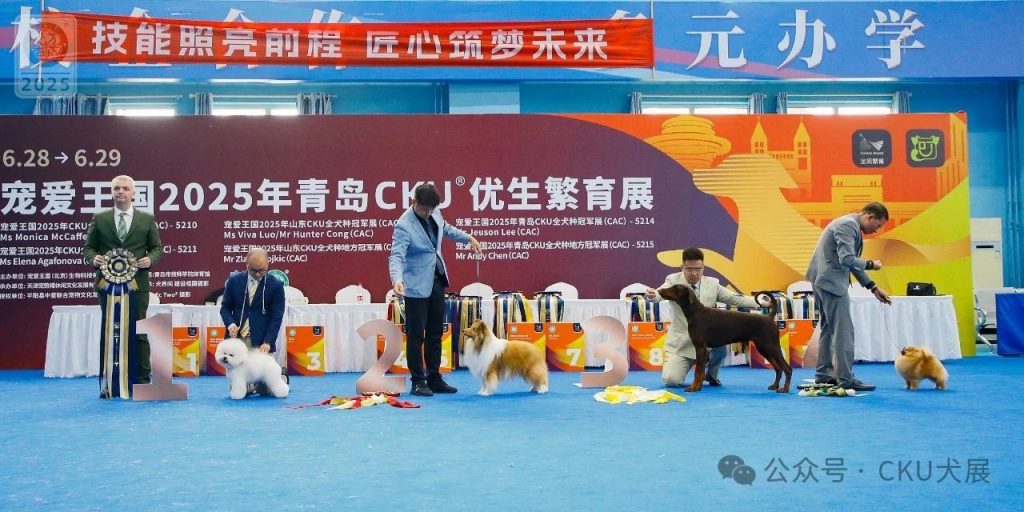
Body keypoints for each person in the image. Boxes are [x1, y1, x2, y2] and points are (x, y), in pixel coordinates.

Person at [389, 183, 481, 397]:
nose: (429, 213)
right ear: (415, 202)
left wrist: (468, 238)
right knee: (415, 336)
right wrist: (397, 279)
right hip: (415, 286)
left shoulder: (435, 212)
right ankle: (418, 381)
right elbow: (396, 256)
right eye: (425, 209)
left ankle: (434, 378)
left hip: (437, 280)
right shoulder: (403, 225)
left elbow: (446, 229)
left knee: (435, 333)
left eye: (432, 209)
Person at [84, 175, 163, 389]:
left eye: (125, 188)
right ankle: (112, 381)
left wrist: (150, 259)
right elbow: (88, 248)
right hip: (107, 285)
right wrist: (93, 258)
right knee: (111, 330)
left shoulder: (147, 219)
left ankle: (142, 380)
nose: (121, 191)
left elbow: (157, 248)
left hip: (138, 285)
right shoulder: (99, 218)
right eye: (117, 188)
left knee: (139, 330)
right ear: (111, 192)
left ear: (133, 193)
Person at [806, 202, 892, 392]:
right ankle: (845, 378)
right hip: (831, 283)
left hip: (822, 280)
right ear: (870, 217)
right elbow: (847, 259)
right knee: (844, 331)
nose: (877, 230)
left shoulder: (848, 223)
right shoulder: (848, 225)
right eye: (878, 225)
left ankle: (823, 375)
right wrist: (871, 264)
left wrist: (873, 287)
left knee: (828, 329)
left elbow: (850, 264)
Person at [646, 247, 759, 388]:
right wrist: (653, 295)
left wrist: (760, 302)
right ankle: (693, 367)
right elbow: (659, 294)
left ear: (703, 267)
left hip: (707, 342)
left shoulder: (712, 284)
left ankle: (711, 374)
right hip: (682, 345)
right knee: (672, 381)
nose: (694, 273)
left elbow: (734, 298)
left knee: (722, 341)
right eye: (689, 269)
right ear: (682, 267)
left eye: (698, 269)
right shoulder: (673, 281)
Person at [219, 247, 286, 356]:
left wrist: (268, 341)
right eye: (253, 270)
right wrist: (230, 324)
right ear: (247, 265)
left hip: (261, 343)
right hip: (236, 339)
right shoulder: (234, 281)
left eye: (261, 270)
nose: (257, 274)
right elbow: (225, 308)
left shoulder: (276, 286)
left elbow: (276, 317)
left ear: (267, 265)